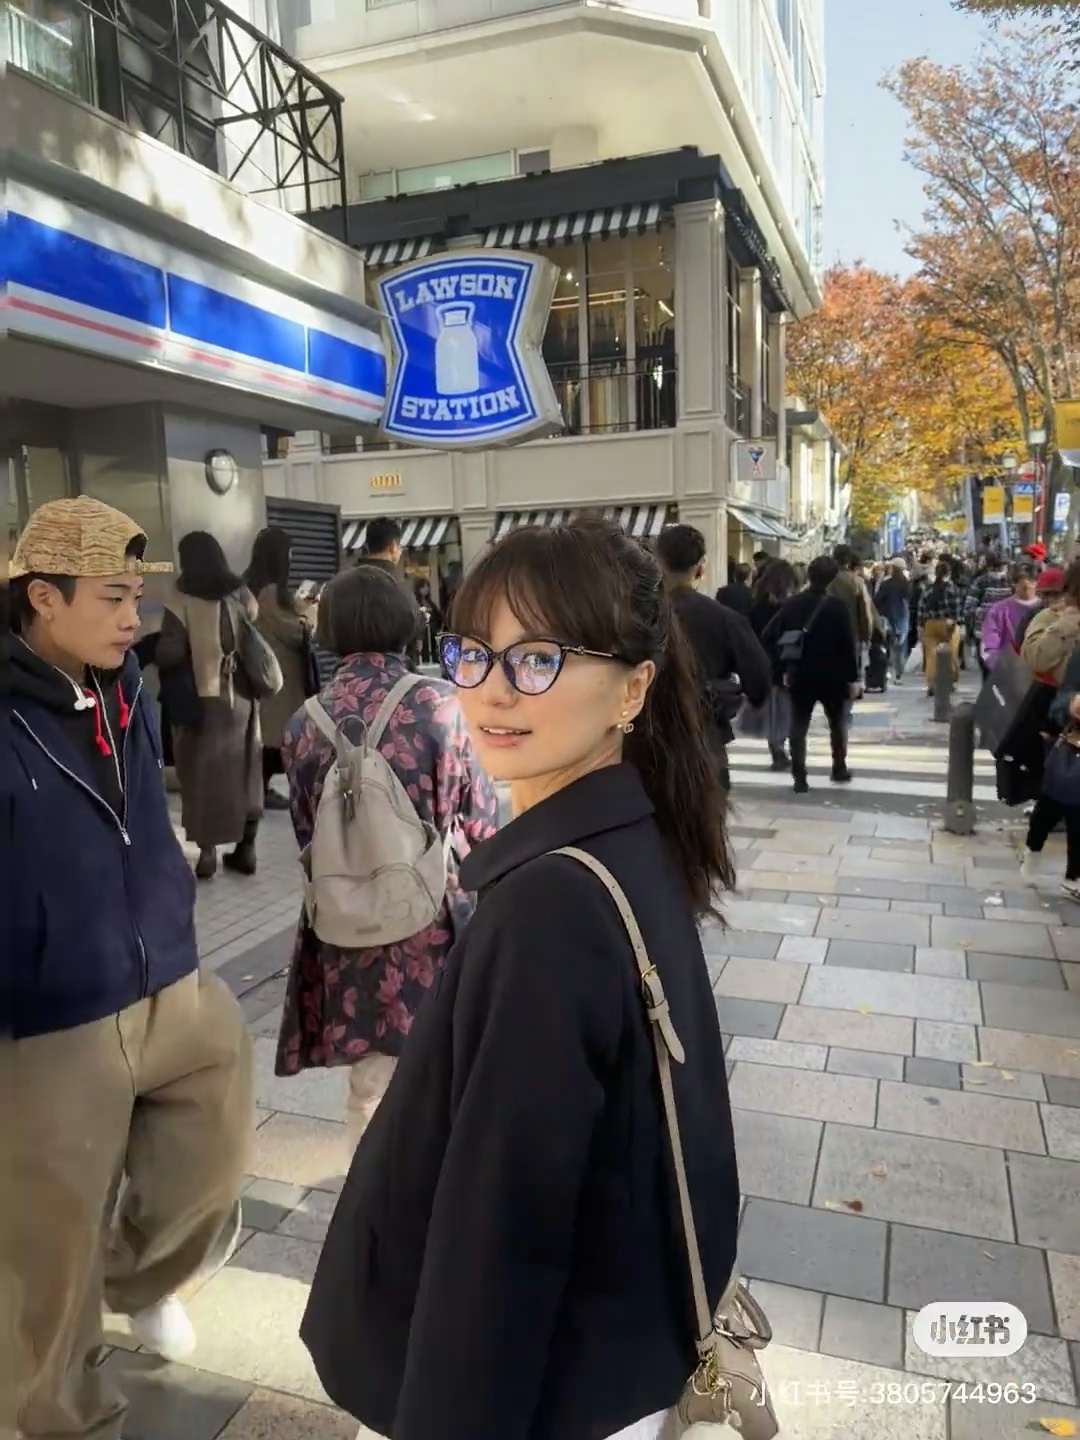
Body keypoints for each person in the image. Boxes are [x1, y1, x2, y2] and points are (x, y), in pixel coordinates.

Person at [300, 517, 741, 1440]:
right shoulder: (629, 837)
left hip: (550, 1391)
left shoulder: (549, 904)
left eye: (538, 658)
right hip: (611, 1357)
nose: (494, 690)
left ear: (633, 688)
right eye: (474, 653)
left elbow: (503, 1227)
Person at [2, 497, 254, 1438]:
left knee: (214, 1139)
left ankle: (138, 1279)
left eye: (134, 598)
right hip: (54, 1010)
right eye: (112, 598)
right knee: (46, 1240)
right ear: (43, 597)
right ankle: (54, 1416)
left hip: (166, 977)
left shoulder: (124, 690)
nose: (131, 618)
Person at [275, 565, 497, 1145]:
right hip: (432, 914)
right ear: (405, 621)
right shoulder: (441, 706)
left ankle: (371, 1187)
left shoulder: (303, 723)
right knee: (447, 1071)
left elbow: (307, 835)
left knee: (371, 1084)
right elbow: (480, 823)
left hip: (346, 920)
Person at [157, 532, 264, 880]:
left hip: (202, 700)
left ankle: (207, 854)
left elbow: (170, 651)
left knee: (201, 776)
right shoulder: (239, 590)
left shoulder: (181, 594)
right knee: (245, 770)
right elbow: (253, 618)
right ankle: (247, 847)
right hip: (243, 698)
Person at [654, 523, 770, 790]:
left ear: (657, 563)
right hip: (705, 735)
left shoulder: (632, 618)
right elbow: (760, 681)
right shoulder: (724, 618)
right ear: (700, 568)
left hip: (647, 744)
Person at [771, 553, 859, 793]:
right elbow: (847, 644)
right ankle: (839, 767)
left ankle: (799, 775)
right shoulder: (837, 607)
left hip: (800, 672)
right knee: (837, 723)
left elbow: (778, 637)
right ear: (831, 578)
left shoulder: (793, 604)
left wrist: (782, 670)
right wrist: (852, 677)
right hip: (833, 674)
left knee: (799, 725)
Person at [245, 526, 315, 812]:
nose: (291, 558)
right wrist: (309, 616)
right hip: (280, 676)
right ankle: (260, 791)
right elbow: (293, 632)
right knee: (277, 737)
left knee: (272, 736)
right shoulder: (270, 592)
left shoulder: (253, 586)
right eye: (289, 552)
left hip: (269, 673)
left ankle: (261, 790)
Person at [745, 558, 798, 769]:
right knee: (786, 707)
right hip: (784, 659)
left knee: (773, 706)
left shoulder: (756, 604)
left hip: (762, 659)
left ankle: (776, 747)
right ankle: (783, 747)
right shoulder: (790, 606)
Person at [980, 562, 1040, 675]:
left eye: (1031, 581)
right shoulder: (998, 610)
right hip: (1006, 673)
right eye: (1022, 584)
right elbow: (989, 644)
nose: (1028, 587)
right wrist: (999, 665)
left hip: (1039, 674)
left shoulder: (1045, 609)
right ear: (1014, 584)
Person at [1021, 564, 1077, 683]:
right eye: (1045, 595)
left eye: (1054, 594)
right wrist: (1065, 625)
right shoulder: (1044, 616)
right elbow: (1033, 660)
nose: (1049, 599)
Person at [828, 545, 873, 684]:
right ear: (848, 560)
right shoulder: (857, 581)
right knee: (851, 673)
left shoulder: (825, 580)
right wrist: (867, 635)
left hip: (827, 632)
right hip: (852, 632)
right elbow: (864, 611)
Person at [917, 559, 963, 696]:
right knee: (951, 654)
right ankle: (950, 681)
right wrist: (958, 623)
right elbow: (957, 609)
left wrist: (920, 625)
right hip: (948, 624)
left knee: (931, 656)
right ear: (949, 573)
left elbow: (921, 608)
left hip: (930, 625)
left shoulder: (928, 588)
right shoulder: (952, 588)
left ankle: (931, 684)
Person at [965, 550, 1012, 679]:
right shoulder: (981, 582)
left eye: (1002, 566)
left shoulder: (1010, 582)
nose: (1000, 569)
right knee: (989, 671)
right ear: (990, 567)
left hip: (1003, 634)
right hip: (986, 634)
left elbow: (969, 608)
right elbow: (970, 607)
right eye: (998, 566)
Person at [874, 563, 911, 683]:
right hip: (903, 617)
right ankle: (899, 673)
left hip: (888, 617)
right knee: (901, 646)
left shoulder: (886, 584)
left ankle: (887, 670)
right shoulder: (906, 584)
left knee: (888, 645)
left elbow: (877, 600)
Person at [412, 575, 443, 665]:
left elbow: (437, 615)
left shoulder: (429, 602)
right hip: (423, 632)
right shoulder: (416, 602)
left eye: (428, 587)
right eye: (425, 587)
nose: (427, 589)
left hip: (432, 631)